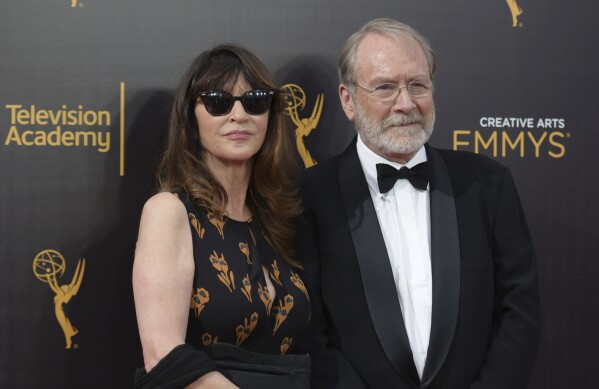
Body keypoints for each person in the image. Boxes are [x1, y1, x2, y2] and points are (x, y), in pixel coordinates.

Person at [296, 18, 541, 388]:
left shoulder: (487, 184)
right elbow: (305, 327)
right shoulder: (308, 196)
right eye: (385, 88)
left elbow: (520, 310)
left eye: (417, 85)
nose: (406, 103)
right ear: (348, 99)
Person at [132, 44, 311, 388]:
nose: (239, 115)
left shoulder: (277, 219)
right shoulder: (169, 212)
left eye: (255, 100)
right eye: (218, 101)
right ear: (190, 116)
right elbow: (163, 354)